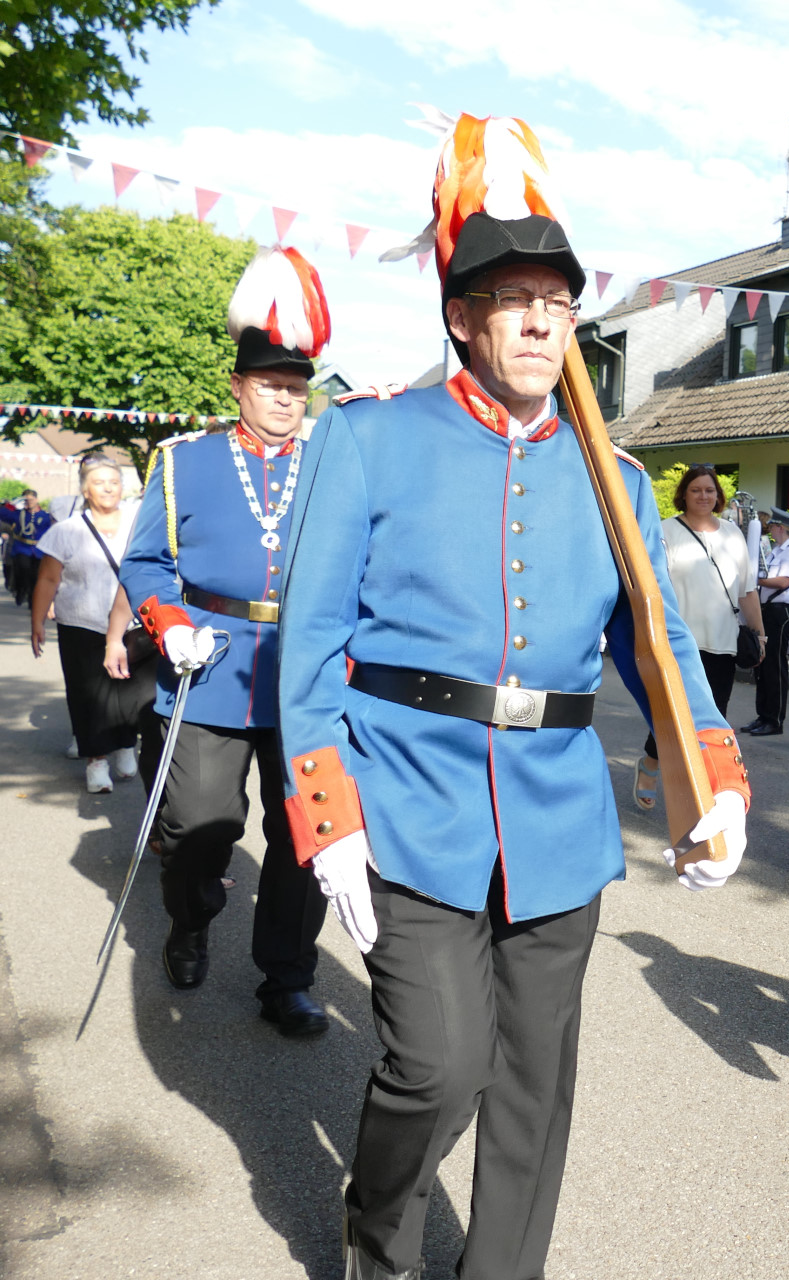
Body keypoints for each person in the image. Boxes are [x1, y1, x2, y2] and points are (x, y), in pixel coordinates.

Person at [276, 125, 750, 1278]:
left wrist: (716, 773)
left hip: (556, 816)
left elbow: (658, 643)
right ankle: (377, 1230)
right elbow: (311, 641)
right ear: (461, 316)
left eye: (557, 300)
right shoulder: (369, 435)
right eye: (512, 298)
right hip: (410, 800)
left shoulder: (617, 476)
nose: (541, 321)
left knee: (535, 1081)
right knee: (438, 1065)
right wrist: (326, 814)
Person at [117, 248, 334, 1035]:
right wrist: (169, 622)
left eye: (297, 387)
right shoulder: (184, 462)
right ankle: (191, 917)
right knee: (198, 829)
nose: (286, 399)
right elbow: (145, 561)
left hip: (306, 676)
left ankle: (287, 977)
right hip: (206, 674)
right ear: (238, 385)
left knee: (306, 835)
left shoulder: (331, 466)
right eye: (271, 385)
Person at [633, 463, 765, 808]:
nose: (703, 496)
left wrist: (760, 635)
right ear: (684, 494)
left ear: (718, 495)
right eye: (696, 490)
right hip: (679, 643)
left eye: (709, 490)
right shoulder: (665, 531)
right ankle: (651, 763)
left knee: (712, 717)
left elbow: (747, 591)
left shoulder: (733, 535)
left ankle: (702, 789)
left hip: (722, 642)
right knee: (671, 715)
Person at [30, 456, 150, 792]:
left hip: (132, 624)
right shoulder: (66, 531)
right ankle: (96, 760)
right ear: (85, 490)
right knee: (88, 695)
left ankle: (125, 743)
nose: (108, 488)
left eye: (114, 482)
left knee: (130, 691)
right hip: (81, 621)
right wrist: (37, 621)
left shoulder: (140, 523)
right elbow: (48, 578)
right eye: (99, 482)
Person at [746, 508, 789, 736]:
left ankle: (775, 720)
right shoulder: (776, 551)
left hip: (780, 611)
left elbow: (783, 581)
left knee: (775, 667)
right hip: (768, 610)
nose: (769, 529)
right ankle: (763, 715)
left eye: (772, 526)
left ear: (780, 527)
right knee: (763, 666)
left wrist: (756, 579)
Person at [5, 489, 54, 607]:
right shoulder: (18, 514)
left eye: (31, 500)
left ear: (36, 500)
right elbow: (3, 513)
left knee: (35, 576)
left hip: (39, 550)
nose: (29, 502)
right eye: (26, 500)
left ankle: (33, 600)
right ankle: (20, 589)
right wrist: (12, 504)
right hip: (22, 548)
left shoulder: (45, 516)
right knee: (23, 569)